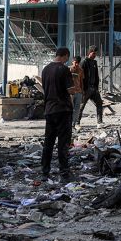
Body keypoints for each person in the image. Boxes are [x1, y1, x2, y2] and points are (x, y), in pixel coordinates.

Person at [40, 47, 74, 180]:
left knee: (48, 142)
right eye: (67, 58)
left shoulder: (45, 69)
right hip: (63, 110)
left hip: (49, 110)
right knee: (63, 143)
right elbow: (70, 90)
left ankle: (45, 171)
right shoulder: (64, 69)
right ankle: (64, 173)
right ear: (65, 56)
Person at [76, 47, 103, 126]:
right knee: (82, 106)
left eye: (96, 53)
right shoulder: (84, 62)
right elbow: (81, 76)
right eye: (93, 53)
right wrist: (82, 89)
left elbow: (96, 76)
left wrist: (96, 88)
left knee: (99, 103)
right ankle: (77, 123)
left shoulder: (94, 62)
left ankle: (99, 122)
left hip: (93, 88)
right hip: (86, 89)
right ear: (89, 53)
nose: (95, 55)